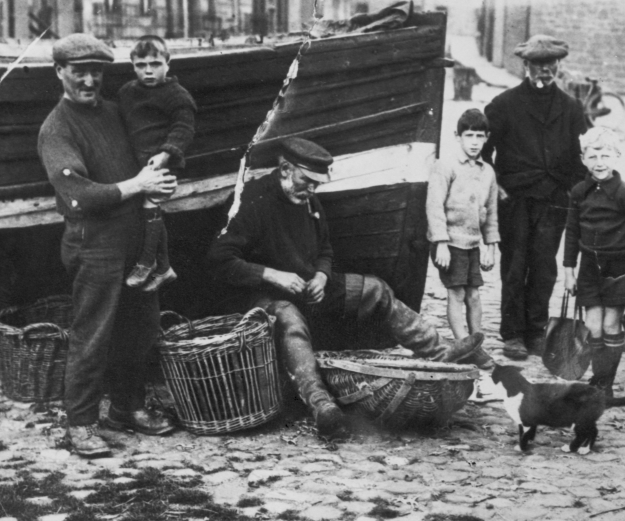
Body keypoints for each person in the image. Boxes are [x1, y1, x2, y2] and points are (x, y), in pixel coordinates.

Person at [207, 137, 487, 437]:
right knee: (288, 317)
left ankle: (439, 351)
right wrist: (271, 274)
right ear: (285, 169)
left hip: (307, 288)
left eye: (317, 183)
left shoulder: (308, 201)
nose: (312, 189)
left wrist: (322, 277)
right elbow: (219, 261)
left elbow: (325, 249)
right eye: (306, 181)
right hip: (262, 297)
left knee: (375, 289)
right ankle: (320, 403)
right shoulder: (250, 200)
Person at [38, 33, 177, 457]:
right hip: (93, 245)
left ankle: (126, 408)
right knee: (92, 334)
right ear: (60, 72)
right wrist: (139, 184)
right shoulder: (56, 129)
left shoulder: (118, 112)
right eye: (79, 71)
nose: (88, 80)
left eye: (96, 71)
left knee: (140, 328)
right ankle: (79, 423)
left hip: (136, 242)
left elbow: (148, 162)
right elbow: (80, 195)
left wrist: (159, 183)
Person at [482, 34, 587, 361]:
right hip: (514, 198)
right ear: (525, 65)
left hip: (554, 198)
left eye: (550, 65)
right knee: (515, 266)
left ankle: (536, 330)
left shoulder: (571, 108)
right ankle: (512, 333)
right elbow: (483, 155)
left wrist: (576, 191)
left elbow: (580, 157)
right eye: (537, 65)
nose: (544, 71)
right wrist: (494, 186)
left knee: (544, 267)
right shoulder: (503, 105)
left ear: (558, 65)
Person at [563, 127, 625, 396]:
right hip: (589, 267)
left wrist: (620, 249)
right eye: (592, 156)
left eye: (605, 155)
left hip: (619, 270)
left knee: (611, 325)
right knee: (592, 326)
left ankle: (606, 383)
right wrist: (569, 270)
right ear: (583, 159)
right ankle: (599, 376)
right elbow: (572, 232)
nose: (599, 162)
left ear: (616, 156)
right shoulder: (579, 192)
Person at [119, 35, 197, 291]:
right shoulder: (128, 92)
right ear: (133, 66)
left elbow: (183, 129)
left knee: (149, 203)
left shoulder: (177, 95)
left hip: (162, 163)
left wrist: (166, 154)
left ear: (168, 63)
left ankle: (147, 261)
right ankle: (164, 268)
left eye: (155, 63)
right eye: (141, 65)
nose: (148, 70)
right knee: (151, 212)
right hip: (137, 163)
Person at [426, 109, 499, 370]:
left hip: (472, 243)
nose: (474, 142)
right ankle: (462, 344)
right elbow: (434, 206)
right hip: (450, 243)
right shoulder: (445, 166)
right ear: (458, 137)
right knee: (456, 293)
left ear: (487, 138)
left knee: (474, 295)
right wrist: (441, 243)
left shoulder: (487, 172)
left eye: (480, 136)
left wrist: (491, 246)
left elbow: (490, 212)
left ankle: (475, 342)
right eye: (469, 136)